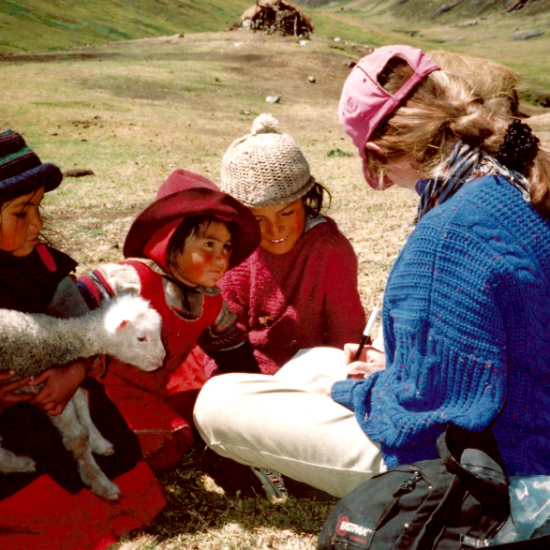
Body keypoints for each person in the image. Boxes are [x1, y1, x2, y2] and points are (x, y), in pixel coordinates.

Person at [194, 44, 550, 499]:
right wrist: (390, 368)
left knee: (219, 402)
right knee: (314, 363)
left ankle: (291, 471)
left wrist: (356, 393)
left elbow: (428, 412)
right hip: (522, 422)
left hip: (478, 466)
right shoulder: (519, 178)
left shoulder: (446, 234)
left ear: (378, 152)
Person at [0, 128, 166, 550]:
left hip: (60, 401)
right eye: (21, 213)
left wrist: (71, 374)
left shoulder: (46, 268)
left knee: (112, 453)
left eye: (38, 208)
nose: (37, 223)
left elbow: (91, 333)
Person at [78, 169, 261, 470]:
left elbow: (235, 356)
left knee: (178, 438)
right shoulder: (132, 281)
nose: (220, 257)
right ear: (169, 239)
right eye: (208, 244)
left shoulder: (211, 303)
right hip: (99, 392)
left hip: (150, 395)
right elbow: (72, 306)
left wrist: (254, 397)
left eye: (226, 247)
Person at [210, 113, 366, 375]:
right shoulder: (232, 256)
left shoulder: (329, 250)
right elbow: (225, 344)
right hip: (247, 378)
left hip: (315, 376)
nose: (275, 229)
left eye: (286, 213)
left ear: (306, 199)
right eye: (258, 219)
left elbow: (347, 336)